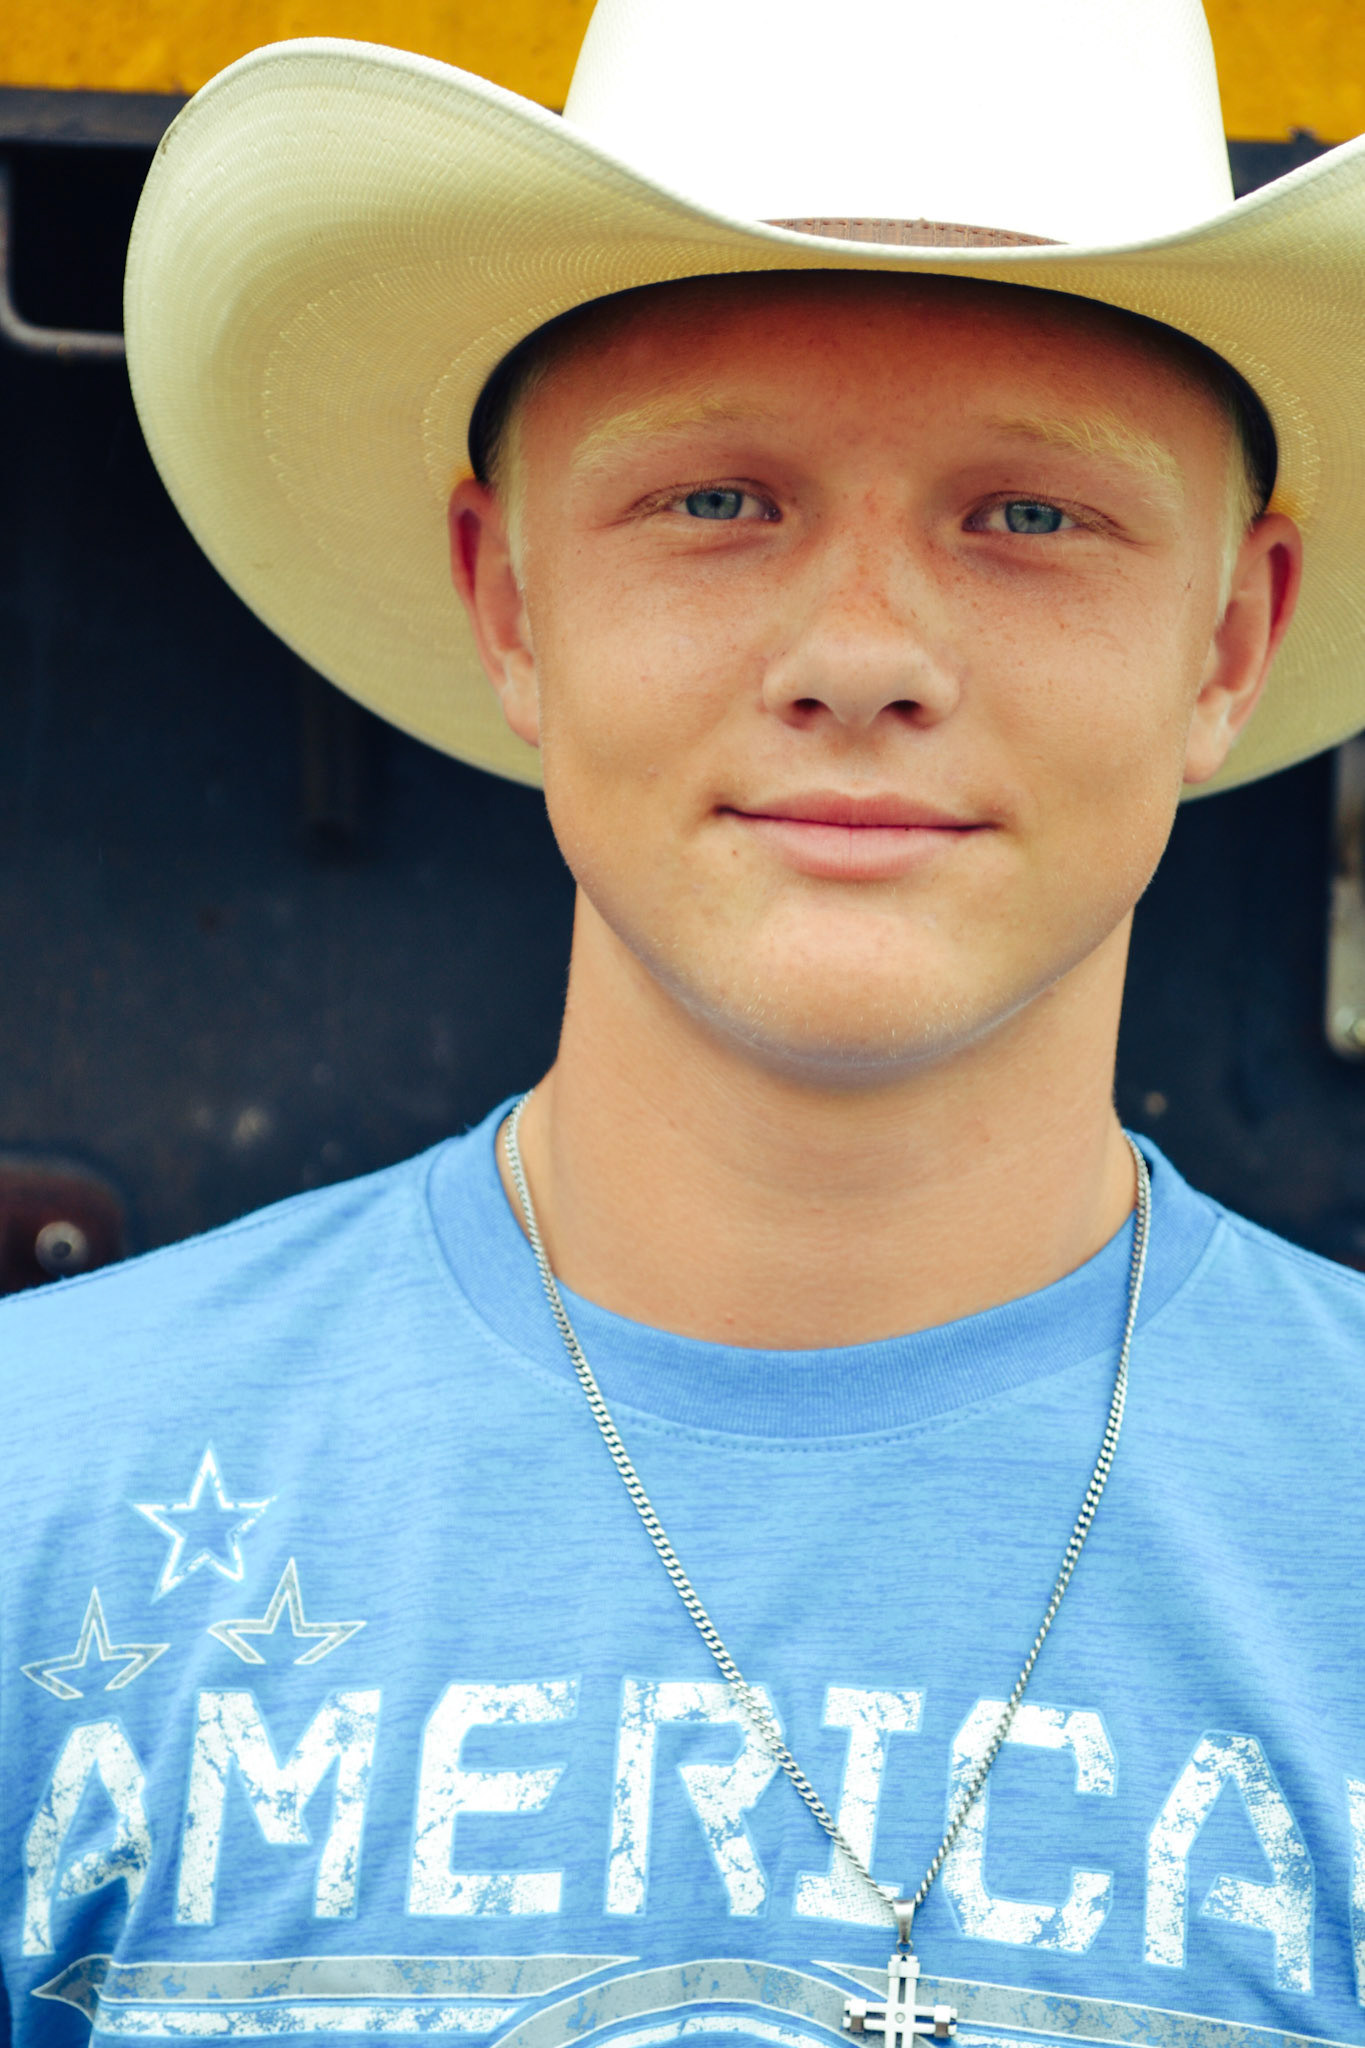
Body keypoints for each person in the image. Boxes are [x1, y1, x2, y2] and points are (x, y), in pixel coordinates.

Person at [3, 0, 1364, 2042]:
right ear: (509, 597)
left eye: (1027, 515)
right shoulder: (43, 1504)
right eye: (717, 499)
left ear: (1231, 636)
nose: (861, 654)